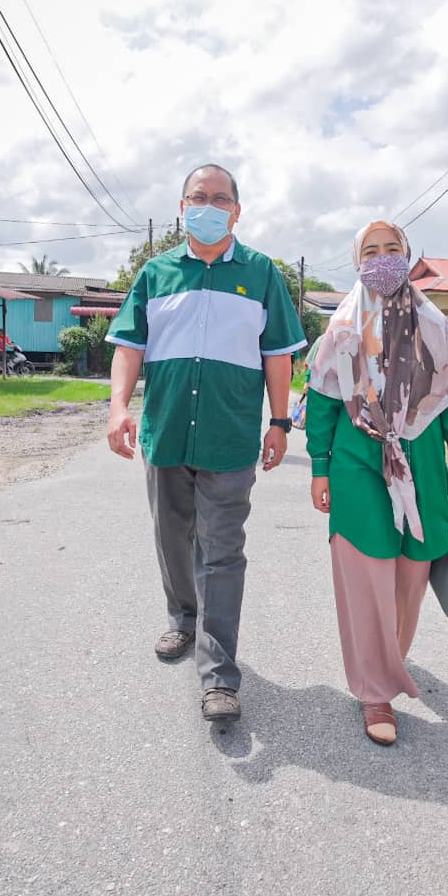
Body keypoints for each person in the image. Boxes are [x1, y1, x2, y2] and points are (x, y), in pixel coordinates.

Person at [106, 164, 306, 722]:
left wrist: (280, 421)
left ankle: (219, 675)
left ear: (237, 211)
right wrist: (119, 407)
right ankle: (182, 619)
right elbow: (128, 345)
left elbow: (278, 355)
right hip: (166, 430)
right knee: (172, 536)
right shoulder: (156, 272)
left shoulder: (262, 273)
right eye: (199, 197)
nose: (209, 206)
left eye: (221, 199)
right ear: (181, 205)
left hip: (229, 433)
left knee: (222, 551)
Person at [306, 220, 448, 745]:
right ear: (358, 261)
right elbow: (322, 403)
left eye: (393, 249)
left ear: (408, 255)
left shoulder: (435, 325)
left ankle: (392, 661)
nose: (382, 258)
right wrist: (318, 466)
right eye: (371, 250)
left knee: (410, 576)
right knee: (367, 574)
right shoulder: (340, 330)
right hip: (357, 461)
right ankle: (375, 691)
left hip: (422, 462)